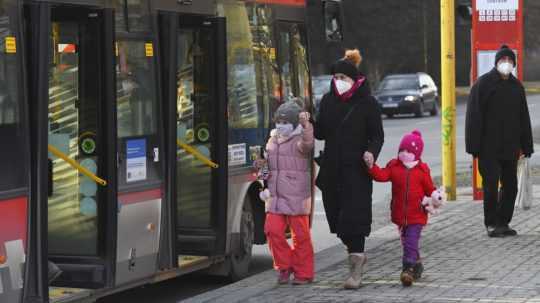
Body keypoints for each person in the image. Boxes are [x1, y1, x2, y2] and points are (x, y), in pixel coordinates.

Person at [314, 49, 384, 289]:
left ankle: (356, 266)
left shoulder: (368, 103)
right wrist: (308, 121)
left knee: (354, 219)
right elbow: (320, 132)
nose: (338, 82)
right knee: (337, 219)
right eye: (335, 78)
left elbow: (377, 136)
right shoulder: (327, 100)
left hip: (356, 169)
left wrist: (371, 154)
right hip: (332, 168)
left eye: (343, 78)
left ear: (354, 80)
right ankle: (355, 254)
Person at [465, 44, 534, 238]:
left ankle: (504, 221)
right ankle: (491, 223)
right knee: (491, 185)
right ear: (496, 63)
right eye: (503, 60)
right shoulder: (483, 85)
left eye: (510, 61)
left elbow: (523, 118)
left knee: (510, 186)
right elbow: (473, 117)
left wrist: (526, 146)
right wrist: (473, 146)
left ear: (514, 64)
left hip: (510, 147)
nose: (506, 63)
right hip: (488, 148)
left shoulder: (516, 86)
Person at [365, 130, 444, 287]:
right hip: (400, 214)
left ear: (416, 153)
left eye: (408, 151)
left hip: (417, 215)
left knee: (411, 241)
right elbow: (381, 176)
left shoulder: (422, 171)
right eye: (401, 150)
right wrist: (371, 166)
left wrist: (436, 196)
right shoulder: (395, 167)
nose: (403, 154)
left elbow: (429, 189)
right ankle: (417, 264)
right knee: (406, 242)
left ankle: (407, 270)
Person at [257, 101, 315, 285]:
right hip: (275, 197)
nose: (280, 126)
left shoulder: (299, 140)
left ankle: (304, 273)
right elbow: (266, 168)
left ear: (294, 123)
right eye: (278, 122)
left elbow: (308, 143)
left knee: (301, 236)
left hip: (297, 196)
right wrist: (260, 167)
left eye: (285, 122)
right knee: (272, 231)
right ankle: (284, 266)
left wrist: (306, 126)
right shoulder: (272, 140)